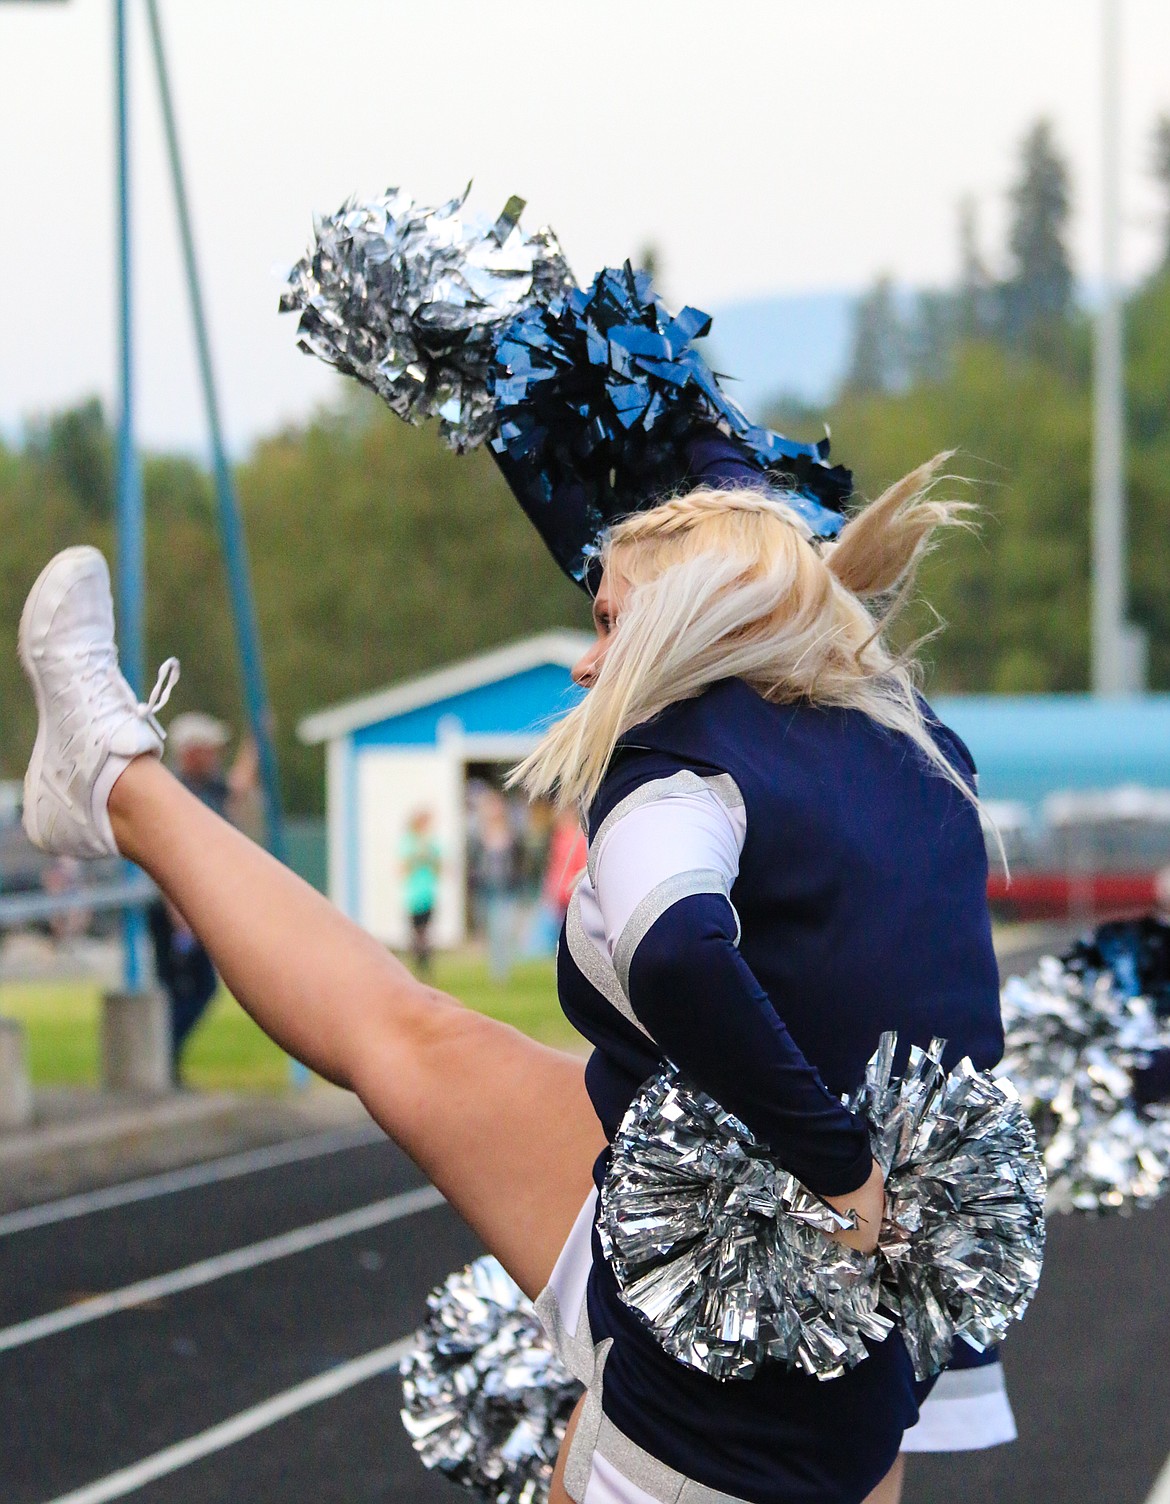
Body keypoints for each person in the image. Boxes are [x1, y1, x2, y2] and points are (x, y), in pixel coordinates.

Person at [18, 460, 1006, 1503]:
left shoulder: (682, 775)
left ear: (691, 622)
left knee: (398, 1030)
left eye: (610, 619)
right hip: (848, 1317)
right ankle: (110, 776)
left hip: (736, 1377)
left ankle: (111, 779)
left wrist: (835, 1164)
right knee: (409, 1032)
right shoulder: (915, 755)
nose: (589, 666)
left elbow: (673, 947)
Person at [144, 710, 259, 1083]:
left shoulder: (210, 789)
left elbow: (239, 785)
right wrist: (179, 912)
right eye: (209, 750)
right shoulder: (176, 793)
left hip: (192, 907)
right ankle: (162, 1062)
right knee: (186, 988)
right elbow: (166, 856)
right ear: (191, 752)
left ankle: (166, 1063)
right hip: (175, 910)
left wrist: (256, 741)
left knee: (195, 990)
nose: (215, 757)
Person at [400, 809, 441, 976]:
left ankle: (425, 967)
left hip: (428, 894)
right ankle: (419, 966)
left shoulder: (432, 844)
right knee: (417, 933)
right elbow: (402, 868)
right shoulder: (408, 844)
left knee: (426, 933)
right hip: (414, 896)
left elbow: (439, 868)